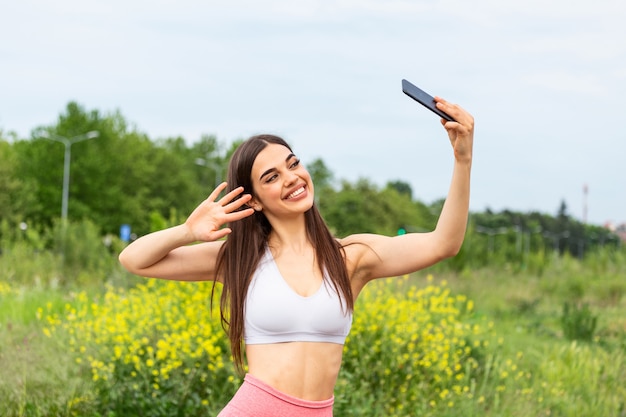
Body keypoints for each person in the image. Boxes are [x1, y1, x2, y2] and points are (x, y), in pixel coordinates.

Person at [118, 96, 474, 416]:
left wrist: (462, 159)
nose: (292, 178)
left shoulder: (351, 257)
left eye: (293, 164)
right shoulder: (240, 259)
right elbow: (134, 259)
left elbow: (444, 243)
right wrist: (187, 232)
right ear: (253, 200)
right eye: (272, 177)